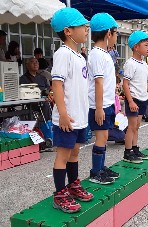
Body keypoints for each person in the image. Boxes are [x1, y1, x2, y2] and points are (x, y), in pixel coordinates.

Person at [50, 7, 93, 213]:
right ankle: (59, 194)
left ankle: (73, 184)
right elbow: (57, 85)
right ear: (68, 31)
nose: (86, 29)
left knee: (75, 152)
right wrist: (63, 114)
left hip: (79, 116)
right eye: (82, 26)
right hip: (66, 117)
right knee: (63, 154)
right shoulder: (63, 54)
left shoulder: (79, 56)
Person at [87, 13, 121, 185]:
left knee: (105, 136)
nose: (116, 38)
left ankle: (101, 167)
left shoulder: (104, 53)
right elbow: (98, 83)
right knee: (100, 138)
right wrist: (99, 108)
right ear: (109, 33)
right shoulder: (97, 55)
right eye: (116, 34)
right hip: (99, 106)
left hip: (106, 104)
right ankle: (95, 172)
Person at [123, 31, 148, 163]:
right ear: (136, 47)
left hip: (142, 98)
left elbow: (142, 81)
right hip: (134, 99)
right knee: (131, 126)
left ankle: (135, 149)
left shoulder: (143, 64)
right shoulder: (130, 63)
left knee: (137, 126)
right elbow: (125, 84)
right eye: (146, 45)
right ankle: (127, 152)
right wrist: (130, 101)